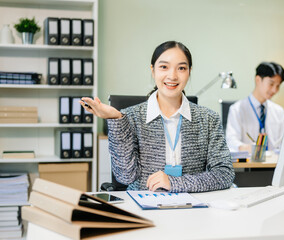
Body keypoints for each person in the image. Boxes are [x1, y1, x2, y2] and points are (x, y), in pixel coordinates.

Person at [81, 41, 235, 193]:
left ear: (189, 72)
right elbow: (125, 177)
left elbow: (224, 174)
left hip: (191, 209)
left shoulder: (208, 119)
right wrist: (117, 119)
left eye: (181, 68)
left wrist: (174, 183)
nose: (172, 76)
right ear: (153, 70)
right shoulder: (131, 117)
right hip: (142, 209)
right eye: (164, 67)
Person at [226, 62, 284, 153]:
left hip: (274, 164)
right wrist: (247, 148)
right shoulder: (237, 109)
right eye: (271, 84)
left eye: (278, 86)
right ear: (258, 80)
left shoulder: (279, 111)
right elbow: (231, 141)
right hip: (248, 165)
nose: (275, 90)